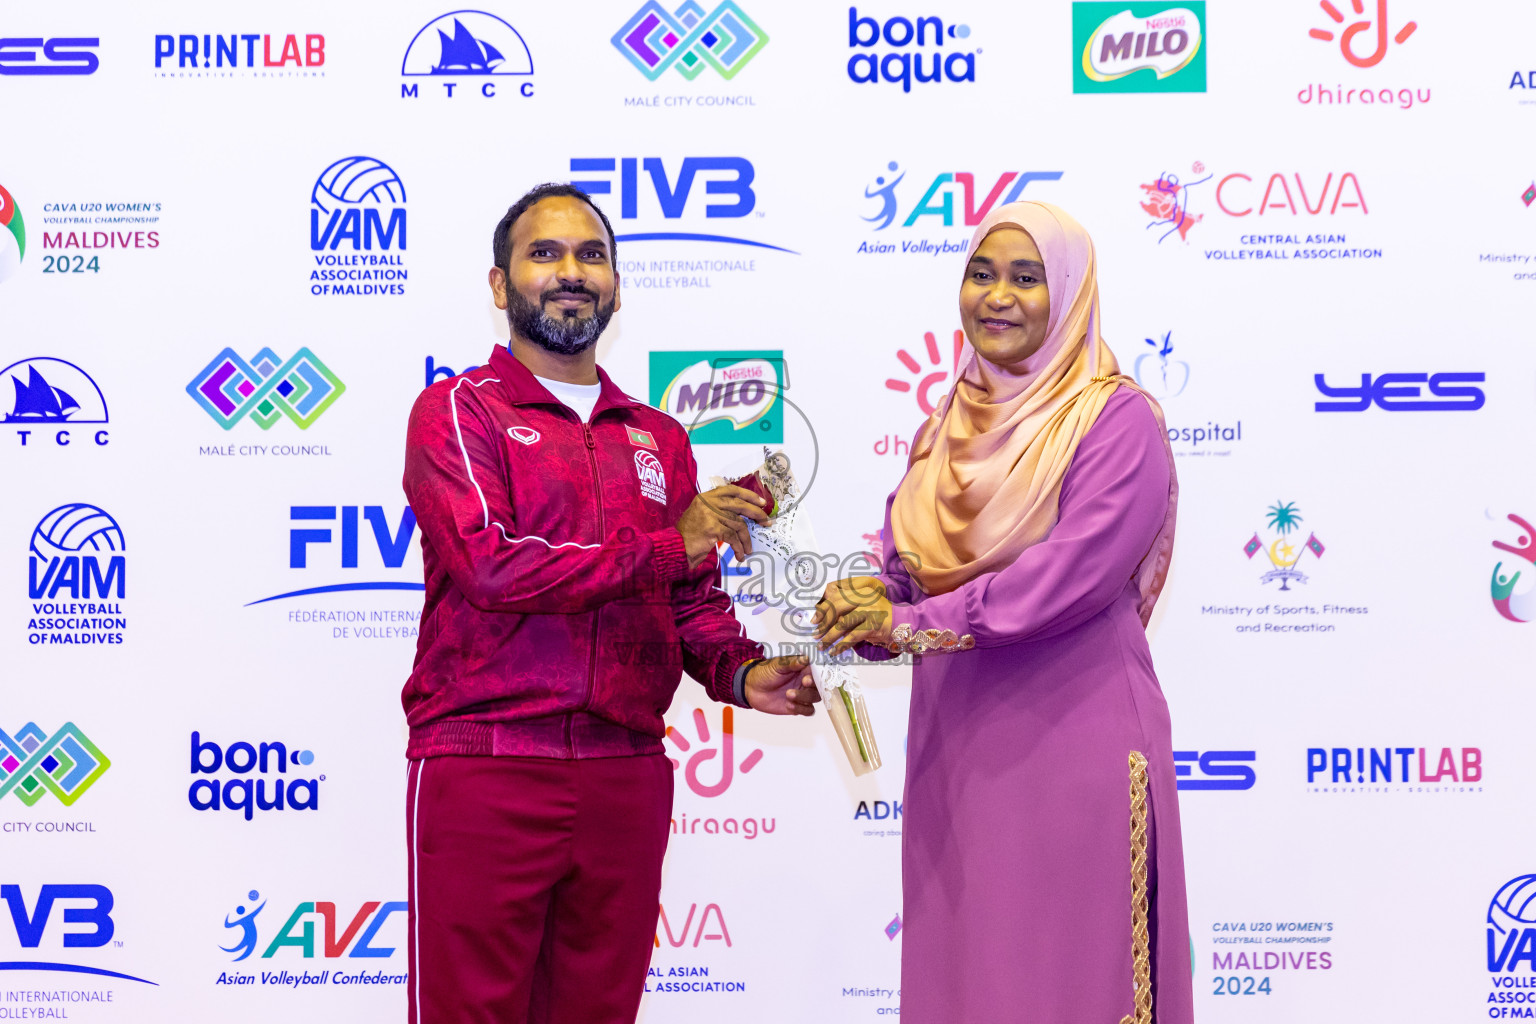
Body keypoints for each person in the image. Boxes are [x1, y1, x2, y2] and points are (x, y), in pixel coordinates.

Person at [400, 182, 818, 1024]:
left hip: (625, 774)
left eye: (592, 256)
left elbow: (692, 601)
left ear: (617, 286)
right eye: (544, 254)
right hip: (488, 759)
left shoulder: (658, 436)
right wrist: (675, 541)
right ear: (498, 284)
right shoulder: (457, 411)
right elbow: (493, 567)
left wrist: (744, 675)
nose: (571, 273)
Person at [814, 201, 1193, 1023]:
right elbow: (904, 573)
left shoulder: (1114, 421)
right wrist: (864, 605)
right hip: (956, 751)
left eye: (1027, 278)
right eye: (981, 274)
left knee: (1070, 976)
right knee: (970, 980)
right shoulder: (944, 427)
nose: (998, 296)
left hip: (1073, 744)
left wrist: (907, 624)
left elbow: (1070, 579)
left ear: (1070, 294)